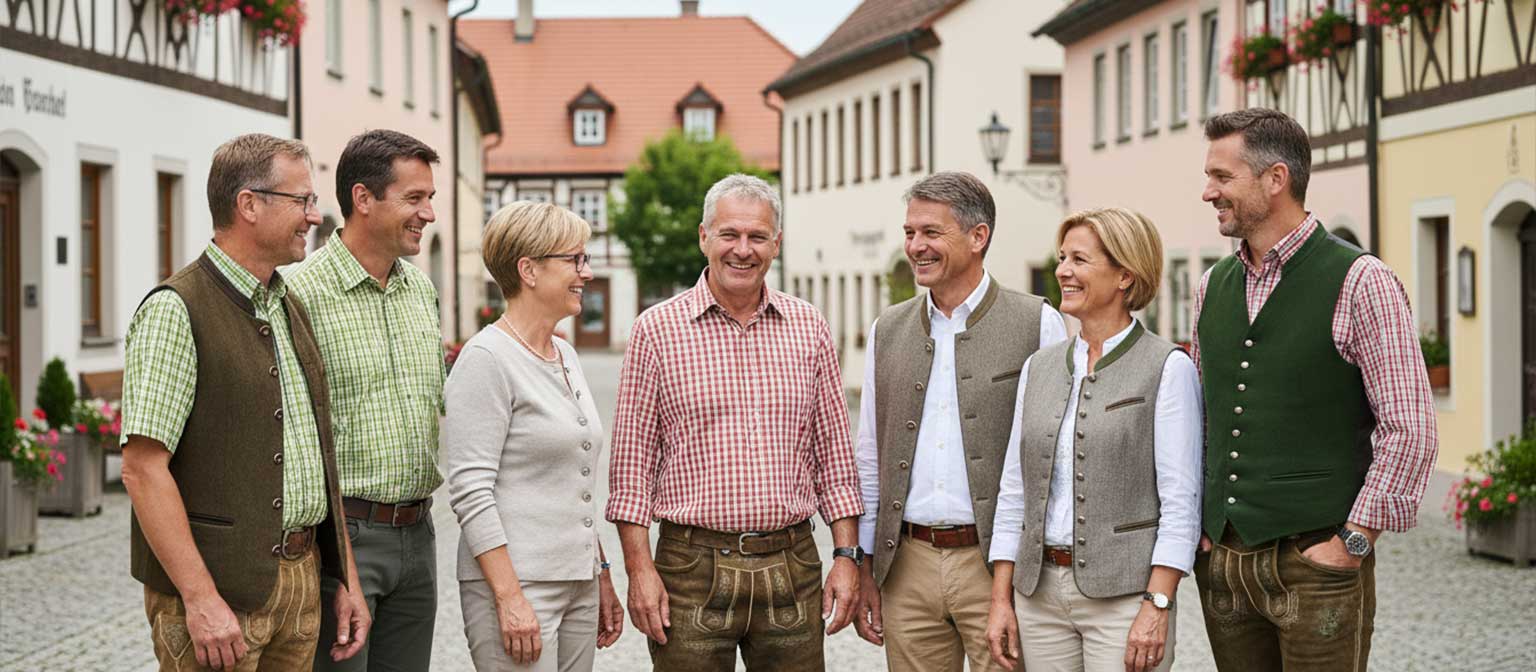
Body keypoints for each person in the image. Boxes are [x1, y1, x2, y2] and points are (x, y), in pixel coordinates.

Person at [1193, 108, 1438, 670]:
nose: (1208, 192)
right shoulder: (1212, 286)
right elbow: (1206, 416)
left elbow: (1410, 427)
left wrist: (1353, 542)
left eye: (1222, 177)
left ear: (1275, 179)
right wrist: (1204, 531)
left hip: (1318, 561)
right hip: (1227, 563)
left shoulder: (1360, 280)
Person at [120, 133, 368, 671]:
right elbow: (142, 469)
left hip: (299, 584)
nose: (315, 215)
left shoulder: (287, 303)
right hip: (219, 595)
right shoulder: (176, 309)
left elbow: (317, 451)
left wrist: (344, 578)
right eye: (302, 200)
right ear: (249, 204)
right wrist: (201, 598)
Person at [605, 173, 864, 671]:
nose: (742, 250)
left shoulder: (808, 326)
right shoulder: (655, 330)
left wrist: (847, 557)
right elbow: (631, 469)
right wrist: (639, 570)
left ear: (777, 244)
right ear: (704, 237)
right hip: (689, 568)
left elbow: (835, 455)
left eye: (757, 237)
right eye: (729, 235)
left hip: (793, 562)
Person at [851, 171, 1067, 672]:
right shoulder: (888, 328)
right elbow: (870, 453)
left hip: (995, 563)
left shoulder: (1037, 321)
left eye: (930, 232)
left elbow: (1051, 454)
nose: (916, 246)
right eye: (910, 233)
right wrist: (865, 562)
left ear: (978, 237)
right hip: (906, 561)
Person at [984, 208, 1202, 672]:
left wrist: (1157, 605)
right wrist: (1001, 599)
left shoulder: (1168, 367)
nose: (1063, 270)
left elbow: (1181, 503)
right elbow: (1014, 493)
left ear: (1125, 274)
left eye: (1080, 260)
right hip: (1038, 597)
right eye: (1062, 258)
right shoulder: (1038, 367)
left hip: (1125, 599)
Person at [285, 129, 446, 671]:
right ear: (362, 199)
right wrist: (338, 562)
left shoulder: (420, 291)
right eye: (414, 198)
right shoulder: (298, 295)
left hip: (419, 535)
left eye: (430, 198)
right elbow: (293, 440)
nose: (428, 213)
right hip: (341, 540)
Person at [443, 201, 625, 671]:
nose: (585, 272)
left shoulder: (565, 353)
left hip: (578, 583)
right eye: (574, 260)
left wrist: (601, 572)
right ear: (528, 269)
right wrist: (509, 597)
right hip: (519, 587)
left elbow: (575, 478)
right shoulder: (486, 359)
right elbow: (470, 491)